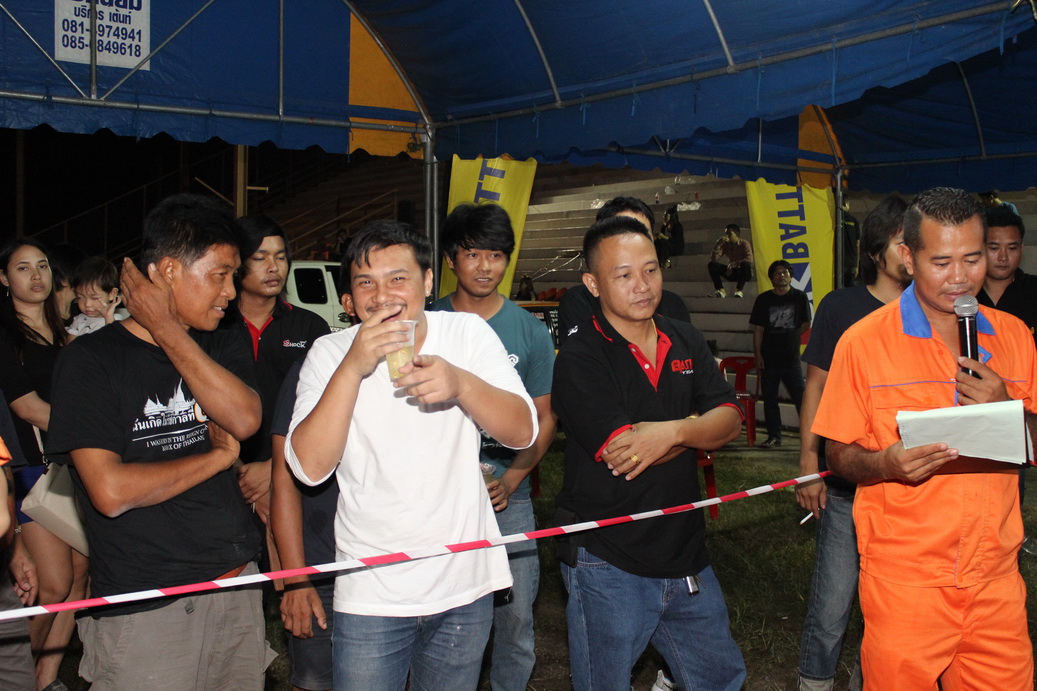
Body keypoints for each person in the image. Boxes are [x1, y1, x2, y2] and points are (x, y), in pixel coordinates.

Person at [285, 220, 537, 690]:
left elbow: (523, 431)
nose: (382, 296)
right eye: (366, 282)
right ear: (350, 297)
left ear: (427, 281)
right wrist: (352, 368)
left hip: (464, 582)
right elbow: (309, 469)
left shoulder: (466, 334)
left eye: (397, 278)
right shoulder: (329, 352)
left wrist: (462, 384)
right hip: (371, 591)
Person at [46, 193, 275, 688]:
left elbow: (244, 418)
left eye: (234, 276)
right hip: (148, 606)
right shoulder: (91, 360)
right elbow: (111, 492)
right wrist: (218, 458)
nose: (231, 291)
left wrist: (167, 328)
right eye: (220, 274)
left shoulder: (220, 338)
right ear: (169, 270)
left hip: (235, 584)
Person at [813, 187, 1035, 690]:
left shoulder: (1015, 336)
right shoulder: (864, 343)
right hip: (905, 582)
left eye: (973, 258)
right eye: (941, 262)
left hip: (996, 579)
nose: (960, 277)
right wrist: (885, 465)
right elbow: (838, 453)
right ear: (908, 258)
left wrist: (1007, 408)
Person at [553, 214, 746, 691]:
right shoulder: (580, 356)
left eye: (651, 269)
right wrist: (696, 429)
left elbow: (730, 419)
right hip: (608, 558)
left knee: (720, 678)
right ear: (593, 285)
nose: (642, 286)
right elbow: (625, 453)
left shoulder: (684, 337)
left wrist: (674, 430)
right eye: (623, 275)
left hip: (686, 550)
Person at [432, 203, 556, 691]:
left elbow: (545, 418)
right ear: (450, 259)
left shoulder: (529, 330)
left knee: (516, 618)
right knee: (438, 616)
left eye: (496, 255)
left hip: (508, 499)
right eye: (472, 254)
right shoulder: (424, 320)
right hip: (435, 502)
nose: (485, 266)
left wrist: (513, 478)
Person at [795, 196, 910, 691]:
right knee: (831, 606)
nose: (914, 252)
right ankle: (814, 683)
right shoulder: (841, 307)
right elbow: (816, 386)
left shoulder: (932, 311)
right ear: (876, 250)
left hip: (908, 494)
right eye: (904, 242)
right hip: (847, 486)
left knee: (889, 614)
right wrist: (808, 461)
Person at [0, 238, 86, 691]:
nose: (36, 276)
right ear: (3, 278)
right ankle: (12, 676)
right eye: (22, 268)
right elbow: (27, 407)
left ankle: (44, 680)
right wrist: (93, 427)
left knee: (80, 579)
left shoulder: (67, 336)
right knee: (52, 583)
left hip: (76, 464)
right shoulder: (5, 337)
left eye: (43, 266)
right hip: (31, 470)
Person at [219, 213, 330, 525]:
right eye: (260, 258)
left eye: (281, 257)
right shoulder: (215, 327)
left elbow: (328, 407)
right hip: (226, 474)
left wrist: (273, 467)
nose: (274, 267)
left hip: (294, 470)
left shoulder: (310, 327)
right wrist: (241, 471)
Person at [270, 360, 338, 691]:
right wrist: (295, 580)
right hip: (319, 568)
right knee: (315, 683)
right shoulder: (314, 364)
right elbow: (283, 482)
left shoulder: (415, 365)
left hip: (389, 568)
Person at [976, 206, 1037, 555]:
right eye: (993, 247)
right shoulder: (962, 298)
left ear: (1021, 250)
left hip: (1022, 409)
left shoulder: (1033, 291)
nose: (1002, 256)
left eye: (1011, 248)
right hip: (969, 406)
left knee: (1014, 481)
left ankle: (1010, 542)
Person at [557, 196, 689, 346]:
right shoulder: (578, 302)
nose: (642, 287)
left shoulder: (673, 306)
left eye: (643, 234)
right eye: (624, 233)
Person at [750, 259, 810, 448]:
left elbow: (806, 323)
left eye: (785, 272)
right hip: (768, 358)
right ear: (771, 278)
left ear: (791, 276)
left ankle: (809, 437)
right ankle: (774, 436)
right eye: (777, 273)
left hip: (791, 358)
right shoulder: (763, 299)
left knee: (801, 399)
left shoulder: (799, 297)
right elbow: (758, 329)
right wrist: (758, 354)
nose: (781, 275)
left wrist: (791, 336)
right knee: (769, 400)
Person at [66, 256, 122, 337]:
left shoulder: (116, 321)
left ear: (111, 294)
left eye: (95, 298)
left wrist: (108, 318)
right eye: (80, 297)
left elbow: (114, 341)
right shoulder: (79, 319)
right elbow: (70, 344)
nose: (87, 304)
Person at [708, 223, 754, 298]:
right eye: (726, 234)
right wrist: (718, 243)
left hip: (744, 272)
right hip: (732, 272)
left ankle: (739, 290)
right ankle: (721, 290)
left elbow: (749, 259)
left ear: (737, 234)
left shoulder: (744, 243)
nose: (727, 237)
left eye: (730, 234)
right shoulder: (726, 245)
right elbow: (714, 258)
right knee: (712, 265)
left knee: (745, 264)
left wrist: (734, 264)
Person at [839, 197, 861, 288]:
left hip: (837, 262)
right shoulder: (854, 220)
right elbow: (857, 245)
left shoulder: (834, 218)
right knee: (849, 290)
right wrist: (857, 265)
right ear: (846, 203)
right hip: (851, 263)